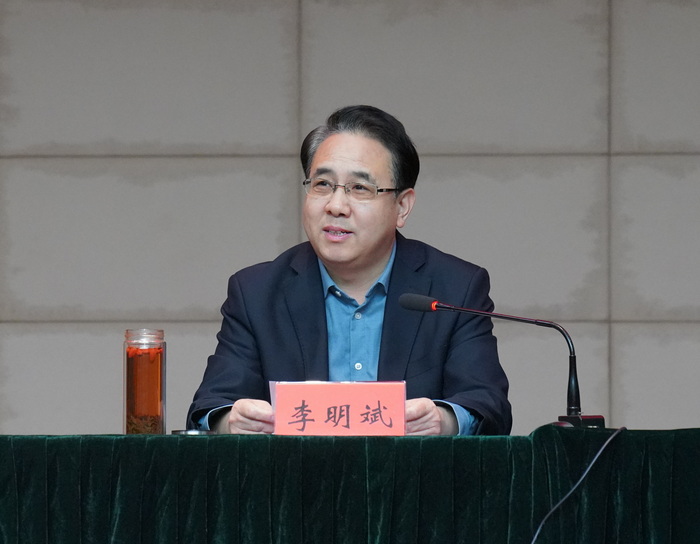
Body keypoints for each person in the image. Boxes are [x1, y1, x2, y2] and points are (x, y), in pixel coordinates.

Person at [187, 105, 511, 435]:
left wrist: (443, 420)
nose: (336, 206)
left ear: (402, 206)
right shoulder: (256, 292)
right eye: (322, 184)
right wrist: (231, 422)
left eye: (359, 188)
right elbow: (209, 408)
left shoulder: (454, 288)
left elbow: (488, 406)